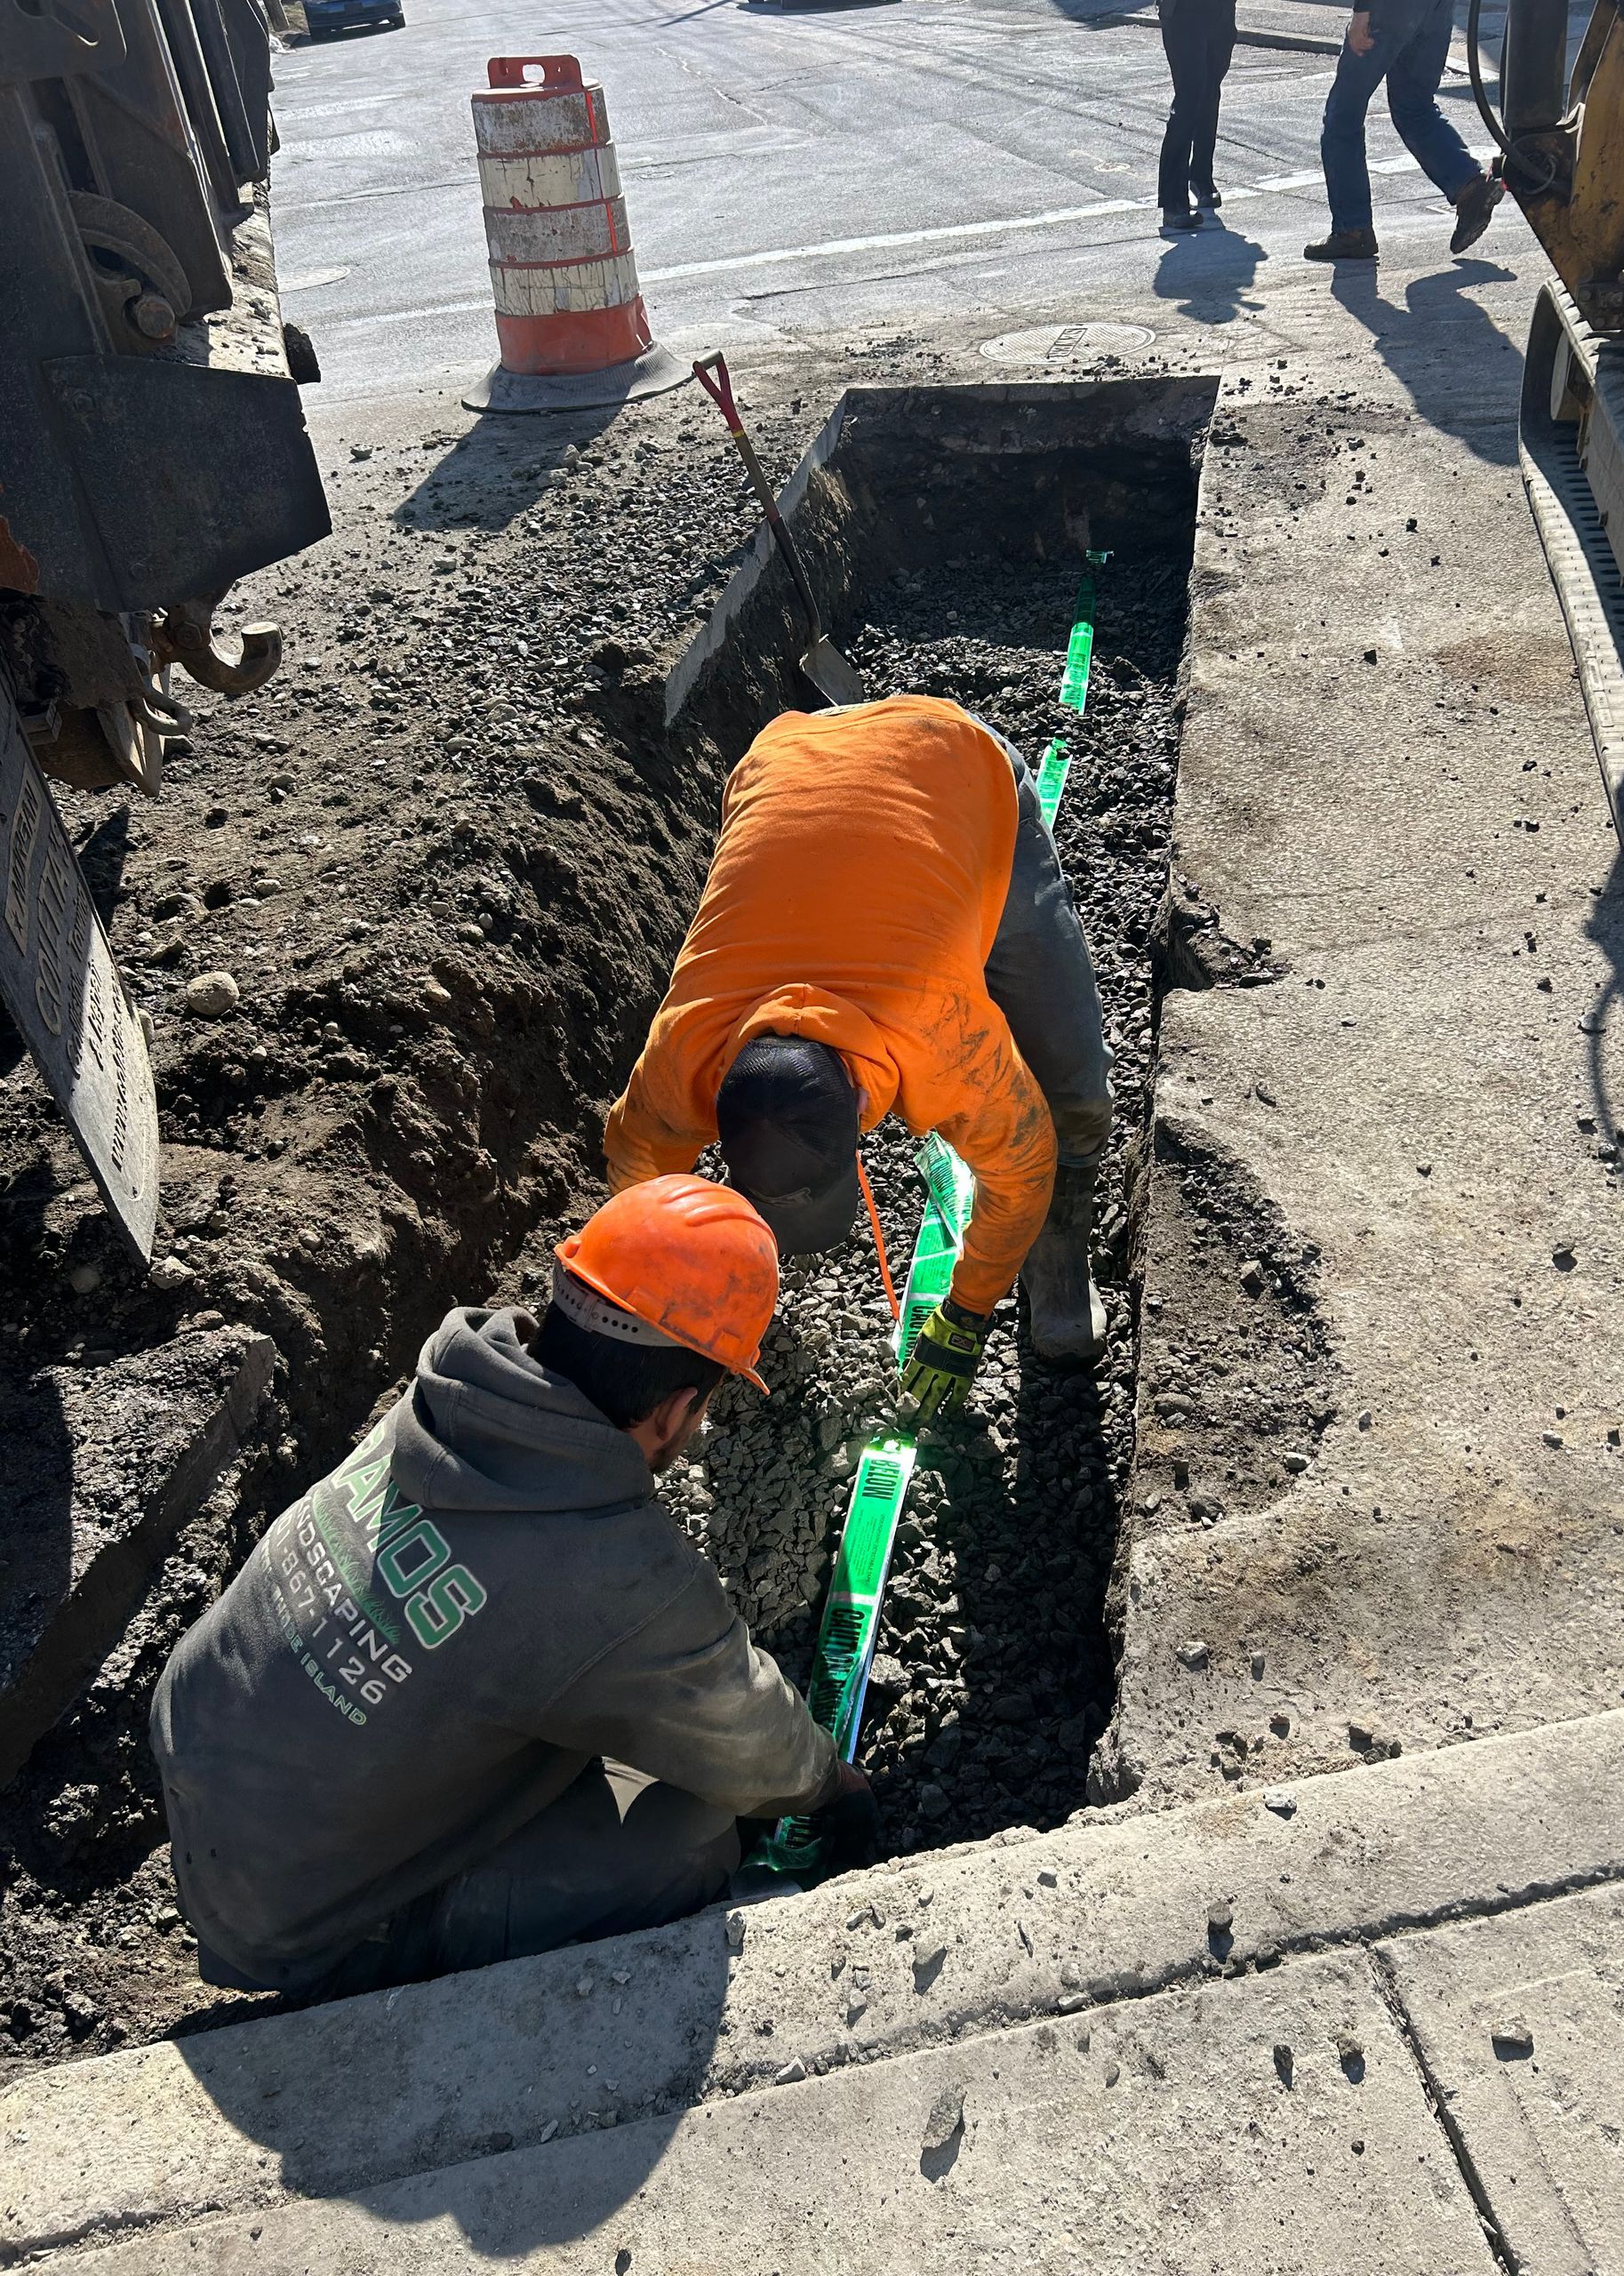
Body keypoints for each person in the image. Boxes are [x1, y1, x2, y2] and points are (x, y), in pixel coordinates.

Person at [150, 1175, 874, 1997]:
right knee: (693, 1833)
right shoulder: (614, 1576)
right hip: (292, 1916)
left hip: (204, 1752)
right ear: (675, 1411)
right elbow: (745, 1740)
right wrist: (829, 1785)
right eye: (703, 1411)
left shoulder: (451, 1402)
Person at [604, 694, 1115, 1418]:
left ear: (861, 1119)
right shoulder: (680, 1055)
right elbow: (637, 1176)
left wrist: (969, 1311)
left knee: (1071, 1090)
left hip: (951, 761)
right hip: (784, 764)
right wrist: (683, 1295)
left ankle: (1060, 1243)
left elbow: (1021, 1159)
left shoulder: (945, 1039)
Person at [1306, 0, 1503, 262]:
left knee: (1343, 118)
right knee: (1415, 107)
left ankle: (1352, 230)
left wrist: (1362, 12)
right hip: (1437, 8)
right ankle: (1469, 186)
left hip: (1388, 10)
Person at [1156, 0, 1238, 236]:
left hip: (1220, 11)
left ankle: (1201, 177)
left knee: (1210, 92)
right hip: (1183, 11)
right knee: (1189, 97)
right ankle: (1173, 202)